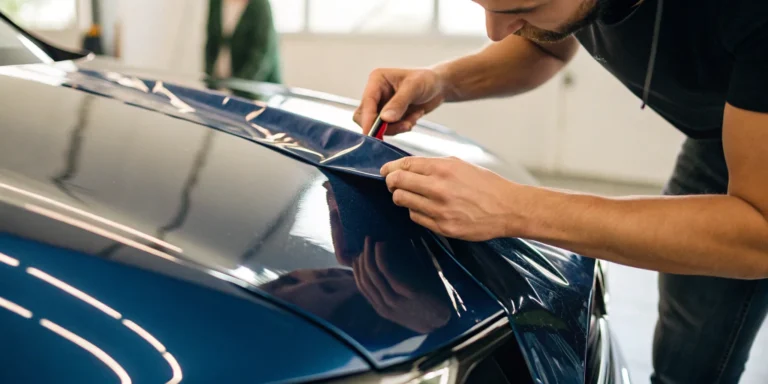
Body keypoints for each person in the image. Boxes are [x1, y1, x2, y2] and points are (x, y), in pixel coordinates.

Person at [353, 0, 768, 383]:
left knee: (699, 341)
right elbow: (545, 46)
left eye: (525, 7)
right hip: (722, 127)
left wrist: (513, 208)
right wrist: (441, 81)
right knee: (687, 302)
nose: (495, 32)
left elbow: (758, 234)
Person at [204, 0, 281, 83]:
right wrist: (210, 77)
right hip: (220, 81)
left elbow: (262, 53)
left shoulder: (260, 4)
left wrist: (238, 85)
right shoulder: (215, 2)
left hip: (256, 84)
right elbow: (211, 43)